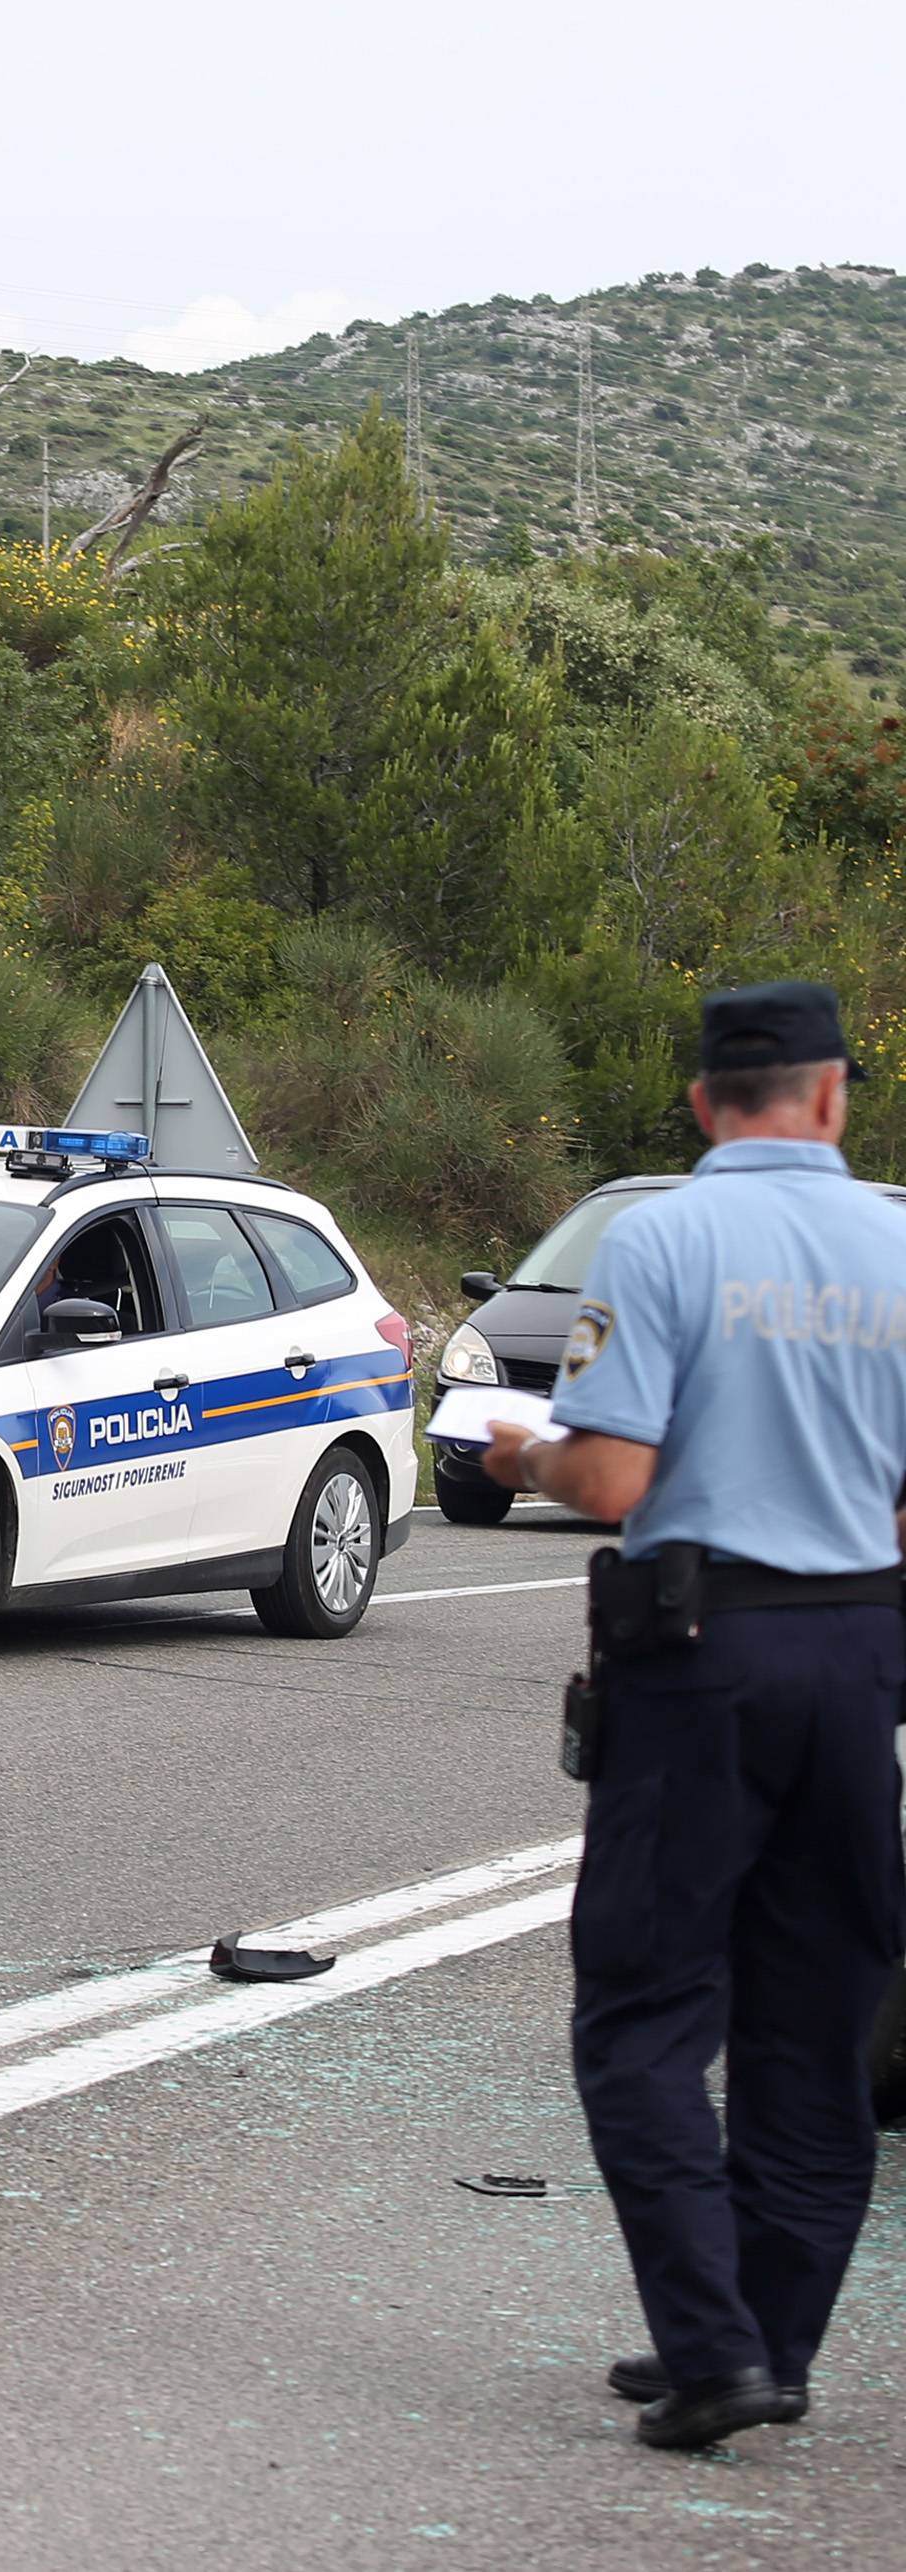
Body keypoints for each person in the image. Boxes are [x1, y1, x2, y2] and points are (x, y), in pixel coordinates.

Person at [481, 980, 906, 2453]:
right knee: (817, 2020)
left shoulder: (658, 1237)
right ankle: (767, 2348)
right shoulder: (904, 1244)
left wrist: (529, 1447)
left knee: (651, 2014)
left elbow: (611, 1482)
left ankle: (712, 2346)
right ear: (834, 1094)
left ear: (701, 1106)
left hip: (702, 1649)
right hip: (859, 1651)